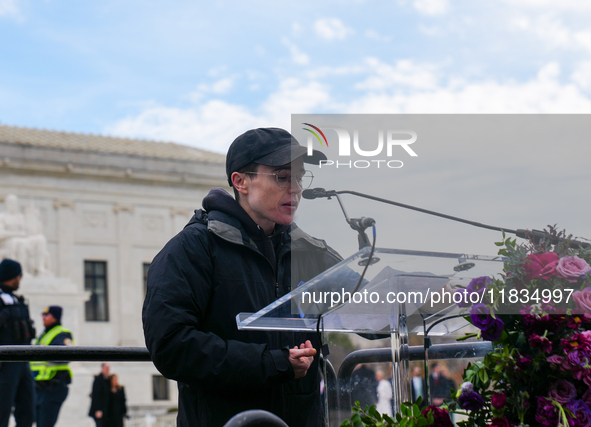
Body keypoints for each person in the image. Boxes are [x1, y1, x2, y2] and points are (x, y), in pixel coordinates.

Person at [143, 127, 342, 427]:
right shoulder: (194, 249)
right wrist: (274, 363)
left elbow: (372, 303)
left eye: (300, 177)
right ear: (241, 182)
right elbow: (170, 345)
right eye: (282, 177)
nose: (296, 188)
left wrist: (427, 297)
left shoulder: (309, 251)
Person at [0, 259, 36, 427]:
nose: (20, 279)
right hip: (6, 361)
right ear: (11, 276)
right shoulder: (3, 299)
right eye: (18, 275)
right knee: (3, 408)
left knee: (27, 409)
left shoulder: (16, 299)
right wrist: (6, 313)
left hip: (23, 359)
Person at [30, 305, 74, 427]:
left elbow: (67, 355)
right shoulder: (43, 335)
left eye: (46, 315)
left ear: (54, 317)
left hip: (54, 386)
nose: (43, 317)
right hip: (40, 387)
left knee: (45, 424)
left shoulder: (62, 334)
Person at [89, 363, 111, 427]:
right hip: (99, 411)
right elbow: (96, 395)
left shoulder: (107, 380)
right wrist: (98, 409)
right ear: (102, 368)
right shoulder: (98, 380)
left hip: (106, 411)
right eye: (106, 368)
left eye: (108, 369)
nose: (108, 370)